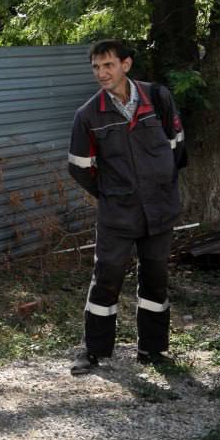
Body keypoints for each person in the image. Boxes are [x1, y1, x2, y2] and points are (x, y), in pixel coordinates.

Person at [67, 39, 186, 374]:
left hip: (160, 210)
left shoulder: (158, 98)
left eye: (108, 65)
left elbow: (176, 149)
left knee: (156, 278)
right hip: (117, 214)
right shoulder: (88, 115)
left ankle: (152, 350)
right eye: (96, 67)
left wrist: (159, 183)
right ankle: (94, 351)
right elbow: (78, 166)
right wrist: (111, 192)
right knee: (106, 277)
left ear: (126, 65)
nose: (102, 73)